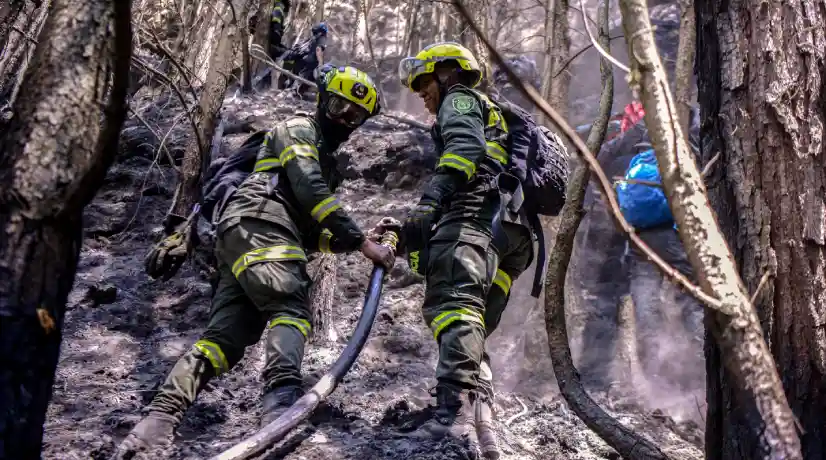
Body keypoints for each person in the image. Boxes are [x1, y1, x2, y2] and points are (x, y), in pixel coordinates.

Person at [114, 64, 394, 455]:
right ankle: (279, 404)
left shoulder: (324, 159)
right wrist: (364, 244)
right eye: (337, 107)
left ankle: (156, 423)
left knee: (223, 341)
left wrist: (355, 240)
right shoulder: (298, 130)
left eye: (354, 116)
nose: (344, 120)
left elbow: (314, 235)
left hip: (249, 238)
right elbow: (308, 187)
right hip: (261, 223)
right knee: (291, 310)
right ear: (320, 100)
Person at [396, 42, 535, 442]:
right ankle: (483, 422)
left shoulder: (459, 99)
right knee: (474, 321)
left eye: (425, 83)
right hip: (514, 234)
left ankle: (451, 417)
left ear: (448, 73)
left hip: (477, 215)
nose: (422, 94)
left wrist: (430, 202)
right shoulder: (493, 111)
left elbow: (465, 149)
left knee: (453, 306)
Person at [278, 22, 328, 95]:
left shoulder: (313, 38)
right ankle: (293, 91)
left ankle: (288, 88)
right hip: (310, 61)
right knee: (303, 76)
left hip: (301, 58)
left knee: (297, 74)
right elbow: (318, 49)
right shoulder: (322, 38)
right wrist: (320, 64)